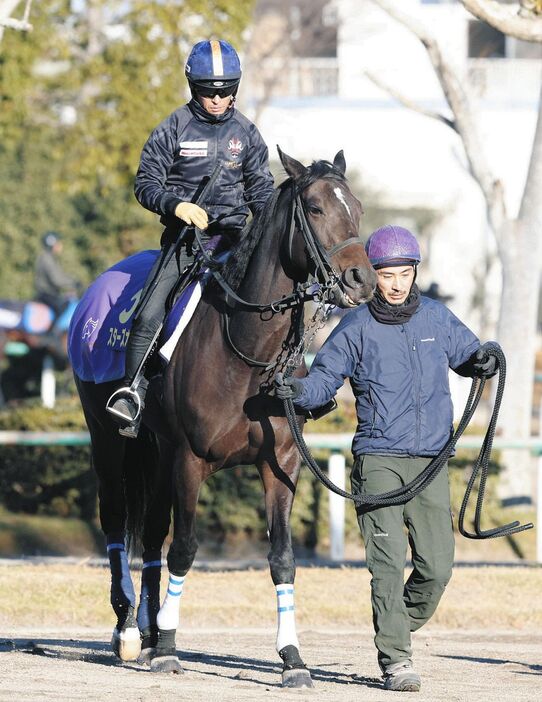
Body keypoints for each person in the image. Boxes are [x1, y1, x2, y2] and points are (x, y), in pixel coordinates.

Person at [275, 225, 500, 692]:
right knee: (386, 563)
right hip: (379, 459)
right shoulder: (354, 328)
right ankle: (396, 659)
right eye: (387, 274)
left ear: (415, 271)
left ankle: (394, 624)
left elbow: (469, 355)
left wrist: (485, 359)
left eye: (404, 272)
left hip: (431, 462)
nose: (396, 283)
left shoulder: (438, 318)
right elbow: (323, 382)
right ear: (374, 275)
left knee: (437, 568)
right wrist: (298, 392)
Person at [106, 39, 275, 437]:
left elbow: (262, 192)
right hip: (186, 242)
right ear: (192, 86)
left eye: (225, 90)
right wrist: (175, 205)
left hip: (234, 243)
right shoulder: (172, 128)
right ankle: (132, 393)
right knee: (150, 312)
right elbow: (145, 183)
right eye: (207, 90)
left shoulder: (248, 134)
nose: (217, 98)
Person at [34, 231, 79, 320]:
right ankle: (52, 333)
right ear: (52, 244)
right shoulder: (47, 259)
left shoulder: (48, 257)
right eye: (58, 243)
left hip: (48, 294)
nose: (60, 245)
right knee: (63, 306)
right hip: (46, 295)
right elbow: (57, 280)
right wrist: (74, 283)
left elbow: (60, 276)